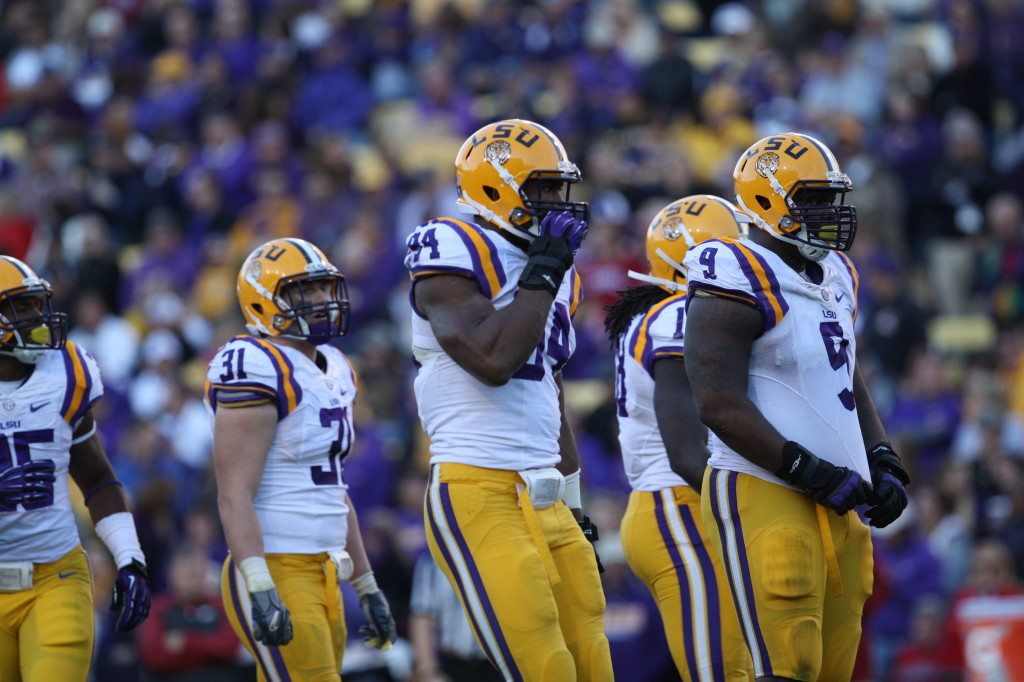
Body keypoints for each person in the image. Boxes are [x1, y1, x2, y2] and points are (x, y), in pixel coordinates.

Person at [682, 132, 912, 681]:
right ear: (767, 201)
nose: (830, 212)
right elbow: (718, 404)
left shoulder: (838, 272)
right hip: (766, 487)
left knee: (833, 668)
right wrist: (804, 469)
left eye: (831, 198)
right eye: (813, 199)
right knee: (787, 664)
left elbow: (846, 376)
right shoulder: (733, 266)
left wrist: (881, 455)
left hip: (839, 497)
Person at [404, 118, 613, 681]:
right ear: (496, 187)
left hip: (544, 487)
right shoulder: (453, 244)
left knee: (592, 659)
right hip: (477, 485)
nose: (557, 204)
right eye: (542, 189)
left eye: (559, 189)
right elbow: (494, 359)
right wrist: (543, 271)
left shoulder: (554, 271)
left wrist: (572, 498)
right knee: (543, 667)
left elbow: (550, 385)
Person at [207, 238, 397, 682]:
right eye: (302, 292)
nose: (319, 301)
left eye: (321, 289)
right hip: (276, 564)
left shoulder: (334, 367)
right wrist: (258, 582)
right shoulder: (254, 363)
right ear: (263, 300)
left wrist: (366, 583)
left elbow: (334, 488)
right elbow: (234, 492)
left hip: (327, 568)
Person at [604, 194, 753, 680]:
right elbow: (687, 451)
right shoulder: (676, 315)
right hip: (678, 504)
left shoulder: (696, 314)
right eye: (733, 247)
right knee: (722, 671)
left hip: (696, 503)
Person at [0, 255, 151, 682]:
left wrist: (129, 558)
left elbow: (97, 478)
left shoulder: (66, 370)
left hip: (55, 577)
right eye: (20, 308)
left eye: (35, 305)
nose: (37, 318)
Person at [409, 552, 503, 682]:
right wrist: (429, 672)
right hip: (452, 663)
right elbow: (422, 617)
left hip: (498, 665)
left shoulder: (500, 557)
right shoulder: (432, 562)